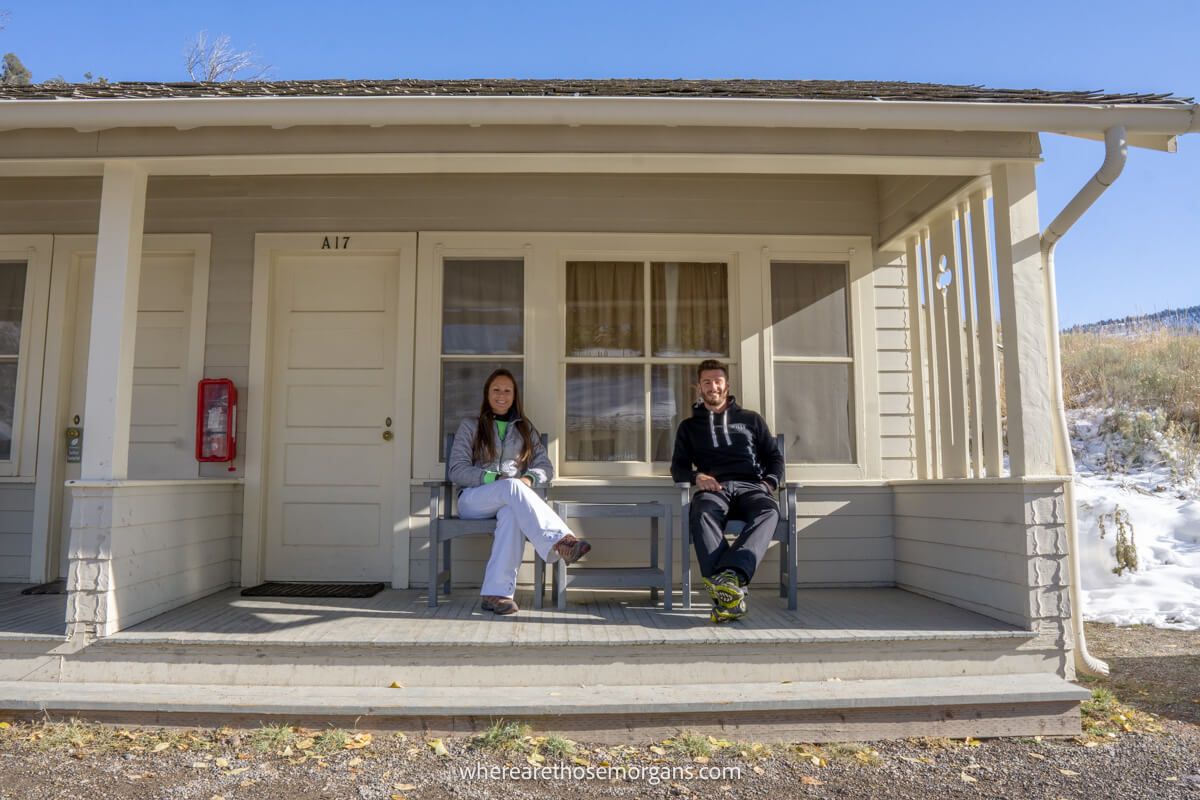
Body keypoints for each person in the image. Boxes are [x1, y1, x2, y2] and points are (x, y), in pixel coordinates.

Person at [449, 368, 591, 616]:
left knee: (513, 514)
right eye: (496, 390)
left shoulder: (525, 429)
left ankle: (497, 594)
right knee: (511, 486)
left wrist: (529, 477)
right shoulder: (470, 426)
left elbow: (545, 467)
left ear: (515, 396)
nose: (501, 395)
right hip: (473, 500)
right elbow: (456, 470)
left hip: (509, 500)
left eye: (507, 391)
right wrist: (493, 477)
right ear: (487, 393)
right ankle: (563, 541)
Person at [670, 359, 785, 623]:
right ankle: (731, 594)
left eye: (718, 381)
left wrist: (768, 484)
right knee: (701, 512)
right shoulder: (689, 427)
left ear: (727, 384)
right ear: (698, 387)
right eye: (707, 382)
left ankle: (728, 580)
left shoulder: (751, 420)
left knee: (769, 511)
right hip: (715, 488)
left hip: (751, 487)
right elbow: (677, 467)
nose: (713, 386)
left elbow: (774, 458)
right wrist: (697, 477)